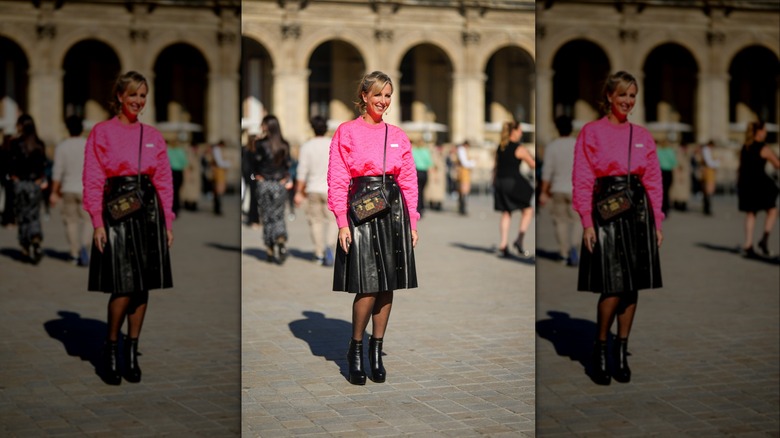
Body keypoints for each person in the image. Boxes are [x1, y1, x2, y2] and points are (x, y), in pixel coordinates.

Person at [82, 71, 174, 385]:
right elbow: (93, 178)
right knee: (123, 284)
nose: (138, 101)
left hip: (148, 212)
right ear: (119, 96)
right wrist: (96, 221)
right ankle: (110, 347)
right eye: (132, 94)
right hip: (116, 210)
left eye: (143, 95)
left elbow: (163, 180)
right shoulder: (101, 132)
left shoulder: (153, 135)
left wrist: (168, 221)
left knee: (143, 285)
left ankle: (132, 351)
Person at [327, 71, 419, 385]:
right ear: (364, 96)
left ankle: (376, 350)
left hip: (394, 212)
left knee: (388, 283)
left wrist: (413, 222)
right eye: (377, 94)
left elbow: (408, 181)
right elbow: (337, 179)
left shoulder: (398, 135)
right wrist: (342, 222)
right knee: (367, 283)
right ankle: (355, 348)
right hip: (361, 209)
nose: (383, 101)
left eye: (388, 95)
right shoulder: (346, 132)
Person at [572, 71, 663, 385]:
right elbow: (582, 178)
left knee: (632, 284)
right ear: (609, 96)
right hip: (606, 209)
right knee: (612, 285)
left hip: (638, 212)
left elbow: (653, 179)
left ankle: (621, 350)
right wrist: (586, 222)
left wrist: (658, 221)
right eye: (622, 94)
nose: (628, 101)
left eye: (633, 95)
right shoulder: (591, 132)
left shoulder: (643, 134)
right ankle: (600, 347)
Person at [294, 115, 337, 266]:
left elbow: (301, 172)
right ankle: (330, 245)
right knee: (333, 220)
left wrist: (299, 192)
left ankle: (318, 253)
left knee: (315, 222)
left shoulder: (307, 146)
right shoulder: (333, 144)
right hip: (331, 188)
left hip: (312, 188)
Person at [539, 115, 581, 265]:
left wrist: (543, 192)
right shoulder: (578, 145)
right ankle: (574, 246)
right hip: (576, 189)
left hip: (557, 188)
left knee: (560, 222)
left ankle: (563, 254)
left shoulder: (552, 146)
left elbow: (547, 172)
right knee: (578, 220)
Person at [50, 115, 91, 266]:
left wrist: (54, 192)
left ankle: (74, 254)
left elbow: (57, 172)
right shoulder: (88, 144)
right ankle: (84, 245)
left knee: (71, 222)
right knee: (89, 220)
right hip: (86, 189)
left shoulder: (62, 146)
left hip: (67, 188)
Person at [7, 114, 48, 264]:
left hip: (20, 184)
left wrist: (14, 177)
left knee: (22, 216)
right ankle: (35, 236)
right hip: (34, 184)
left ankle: (25, 246)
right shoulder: (39, 144)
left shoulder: (15, 143)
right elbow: (43, 165)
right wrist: (39, 179)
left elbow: (10, 164)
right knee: (34, 214)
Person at [737, 120, 780, 257]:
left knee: (751, 214)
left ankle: (748, 244)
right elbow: (777, 164)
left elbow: (741, 167)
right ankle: (764, 239)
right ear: (759, 132)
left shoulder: (745, 146)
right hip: (761, 184)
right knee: (772, 211)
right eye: (765, 130)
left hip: (746, 183)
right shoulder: (764, 148)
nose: (766, 132)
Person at [253, 115, 292, 264]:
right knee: (278, 214)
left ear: (267, 126)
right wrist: (284, 178)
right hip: (279, 183)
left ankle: (269, 247)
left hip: (264, 182)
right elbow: (288, 165)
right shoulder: (284, 144)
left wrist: (256, 176)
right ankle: (280, 238)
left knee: (267, 215)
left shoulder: (260, 144)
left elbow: (254, 164)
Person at [493, 120, 535, 258]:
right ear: (514, 131)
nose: (521, 132)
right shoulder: (519, 148)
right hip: (513, 182)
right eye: (520, 130)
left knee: (506, 213)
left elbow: (496, 166)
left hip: (500, 181)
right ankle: (519, 240)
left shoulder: (501, 147)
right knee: (528, 210)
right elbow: (533, 164)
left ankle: (503, 244)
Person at [411, 141, 433, 217]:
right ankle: (422, 207)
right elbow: (429, 162)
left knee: (418, 191)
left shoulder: (413, 150)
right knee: (422, 191)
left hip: (416, 171)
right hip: (424, 172)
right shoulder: (425, 151)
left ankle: (418, 207)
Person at [656, 140, 677, 217]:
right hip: (668, 172)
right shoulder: (670, 151)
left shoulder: (658, 151)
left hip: (661, 172)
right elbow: (674, 162)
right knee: (667, 191)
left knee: (661, 191)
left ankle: (662, 207)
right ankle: (666, 208)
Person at [455, 140, 476, 215]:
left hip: (463, 173)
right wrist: (472, 162)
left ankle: (462, 207)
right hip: (463, 173)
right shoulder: (462, 150)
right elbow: (465, 163)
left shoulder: (461, 150)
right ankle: (462, 208)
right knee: (464, 191)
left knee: (462, 191)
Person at [167, 141, 188, 216]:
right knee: (177, 191)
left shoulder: (168, 151)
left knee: (172, 191)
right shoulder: (180, 151)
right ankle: (177, 208)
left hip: (171, 172)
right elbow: (184, 162)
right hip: (179, 172)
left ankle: (172, 207)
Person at [210, 140, 230, 215]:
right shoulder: (217, 150)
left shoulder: (216, 150)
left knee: (217, 191)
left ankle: (217, 208)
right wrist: (227, 164)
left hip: (218, 173)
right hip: (218, 173)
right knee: (218, 191)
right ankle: (217, 209)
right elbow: (220, 163)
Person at [701, 140, 719, 215]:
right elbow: (709, 163)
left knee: (707, 191)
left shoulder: (706, 150)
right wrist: (717, 162)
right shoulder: (706, 151)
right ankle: (707, 208)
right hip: (708, 172)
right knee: (708, 190)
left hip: (708, 172)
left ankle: (707, 208)